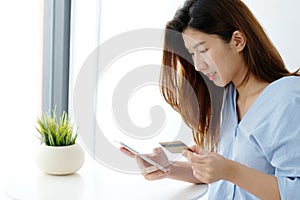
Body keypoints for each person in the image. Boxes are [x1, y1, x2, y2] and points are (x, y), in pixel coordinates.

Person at [121, 0, 300, 199]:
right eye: (191, 54)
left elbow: (294, 190)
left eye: (203, 50)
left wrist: (231, 171)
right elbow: (220, 175)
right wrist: (167, 166)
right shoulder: (228, 96)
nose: (197, 65)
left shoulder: (287, 99)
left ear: (238, 41)